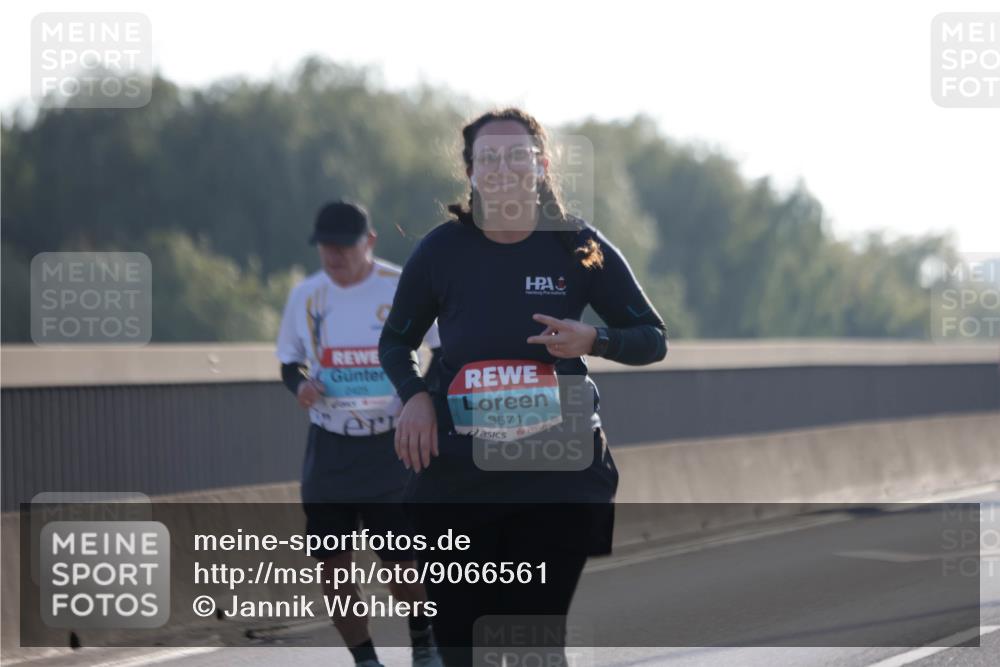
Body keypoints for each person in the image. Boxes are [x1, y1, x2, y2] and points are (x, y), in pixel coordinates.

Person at [378, 109, 668, 666]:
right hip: (460, 476)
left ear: (541, 164)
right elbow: (395, 342)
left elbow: (652, 338)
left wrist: (594, 338)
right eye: (489, 157)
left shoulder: (579, 247)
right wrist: (414, 395)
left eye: (517, 155)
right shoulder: (440, 251)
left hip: (555, 472)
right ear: (470, 171)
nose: (503, 168)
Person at [276, 200, 444, 667]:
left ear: (368, 243)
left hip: (390, 443)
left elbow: (441, 349)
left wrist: (418, 397)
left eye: (344, 248)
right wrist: (301, 385)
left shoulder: (400, 285)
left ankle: (423, 641)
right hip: (329, 446)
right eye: (326, 248)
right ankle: (365, 659)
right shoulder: (306, 295)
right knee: (331, 566)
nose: (334, 257)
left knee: (401, 562)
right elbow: (289, 362)